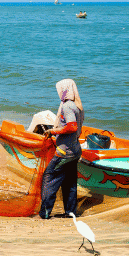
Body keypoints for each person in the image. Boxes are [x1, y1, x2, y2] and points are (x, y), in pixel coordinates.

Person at [38, 78, 85, 219]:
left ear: (64, 91)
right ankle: (70, 213)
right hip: (75, 150)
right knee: (69, 182)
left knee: (49, 177)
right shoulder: (78, 106)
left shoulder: (67, 106)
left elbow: (72, 127)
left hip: (65, 152)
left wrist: (53, 131)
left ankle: (45, 213)